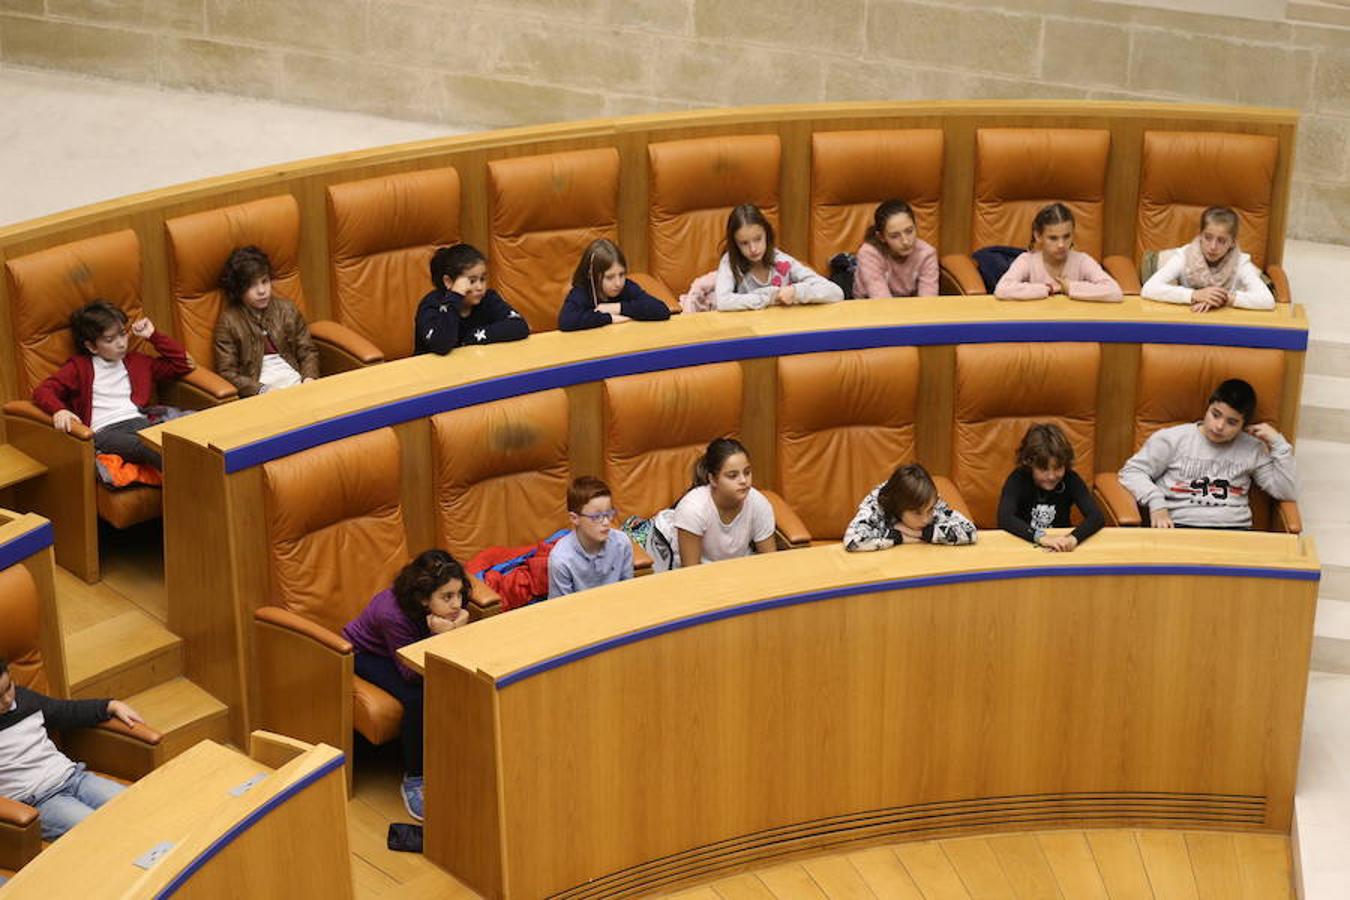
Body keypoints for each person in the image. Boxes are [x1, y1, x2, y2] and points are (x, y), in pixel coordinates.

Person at [342, 550, 471, 821]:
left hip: (408, 647)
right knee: (416, 697)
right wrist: (446, 636)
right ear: (424, 598)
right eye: (447, 597)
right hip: (367, 654)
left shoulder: (446, 608)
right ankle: (414, 777)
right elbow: (411, 672)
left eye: (459, 594)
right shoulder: (393, 615)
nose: (457, 604)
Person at [1118, 378, 1297, 529]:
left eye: (1232, 422)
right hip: (1179, 525)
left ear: (1244, 424)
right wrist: (1155, 501)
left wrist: (1278, 444)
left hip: (1235, 531)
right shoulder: (1172, 438)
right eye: (1215, 414)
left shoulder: (1252, 448)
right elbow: (1131, 472)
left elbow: (1286, 491)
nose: (1219, 426)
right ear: (1208, 407)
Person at [33, 300, 191, 470]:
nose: (121, 343)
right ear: (92, 346)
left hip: (138, 421)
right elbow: (43, 391)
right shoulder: (79, 368)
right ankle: (191, 489)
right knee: (150, 447)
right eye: (110, 340)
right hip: (106, 431)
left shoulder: (138, 362)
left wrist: (153, 336)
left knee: (179, 440)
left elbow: (181, 364)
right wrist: (59, 409)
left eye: (123, 334)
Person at [0, 657, 144, 840]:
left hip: (74, 777)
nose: (7, 700)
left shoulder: (24, 699)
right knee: (103, 833)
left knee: (138, 806)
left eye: (8, 687)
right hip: (39, 801)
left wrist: (109, 705)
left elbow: (65, 711)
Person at [213, 245, 319, 397]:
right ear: (239, 289)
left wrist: (309, 378)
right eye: (252, 285)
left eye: (265, 281)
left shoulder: (287, 310)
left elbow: (308, 351)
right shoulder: (229, 322)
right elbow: (228, 372)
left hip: (297, 383)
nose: (262, 290)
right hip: (261, 392)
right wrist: (261, 390)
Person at [1141, 206, 1274, 312]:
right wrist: (1194, 295)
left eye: (1221, 240)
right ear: (1200, 236)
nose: (1213, 247)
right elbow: (1149, 289)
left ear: (1232, 243)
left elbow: (1267, 300)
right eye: (1208, 237)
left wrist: (1222, 298)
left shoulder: (1240, 262)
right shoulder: (1184, 256)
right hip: (1188, 319)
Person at [714, 205, 843, 310]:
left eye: (758, 239)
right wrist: (770, 297)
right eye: (744, 243)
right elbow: (723, 302)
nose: (753, 249)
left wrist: (796, 292)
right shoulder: (729, 262)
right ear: (735, 244)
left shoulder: (781, 261)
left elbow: (836, 292)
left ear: (767, 234)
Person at [998, 423, 1103, 551]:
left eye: (1058, 468)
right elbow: (1005, 518)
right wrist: (1042, 538)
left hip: (1061, 547)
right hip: (1024, 544)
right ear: (1029, 464)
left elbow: (1096, 516)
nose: (1052, 476)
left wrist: (1073, 538)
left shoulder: (1071, 479)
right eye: (1043, 469)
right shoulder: (1018, 478)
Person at [673, 438, 777, 566]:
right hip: (694, 570)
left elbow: (770, 562)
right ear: (713, 480)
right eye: (732, 475)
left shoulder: (758, 503)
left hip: (736, 570)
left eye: (747, 472)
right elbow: (690, 571)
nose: (744, 480)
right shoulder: (692, 509)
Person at [413, 244, 529, 355]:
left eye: (483, 279)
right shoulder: (431, 305)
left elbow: (519, 326)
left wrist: (472, 338)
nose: (480, 287)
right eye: (472, 281)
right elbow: (441, 345)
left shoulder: (488, 298)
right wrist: (454, 297)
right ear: (448, 282)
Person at [994, 203, 1122, 303]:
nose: (1061, 245)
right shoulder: (1027, 260)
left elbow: (1114, 292)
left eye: (1066, 236)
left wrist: (1070, 288)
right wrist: (1047, 289)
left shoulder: (1082, 260)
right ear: (1038, 236)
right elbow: (1002, 289)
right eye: (1053, 238)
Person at [843, 463, 977, 551]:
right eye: (917, 513)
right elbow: (852, 540)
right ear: (898, 508)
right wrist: (898, 537)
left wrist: (920, 534)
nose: (926, 519)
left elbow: (970, 531)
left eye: (930, 510)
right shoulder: (879, 503)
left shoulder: (930, 500)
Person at [548, 476, 635, 598]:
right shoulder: (561, 560)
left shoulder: (622, 543)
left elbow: (628, 592)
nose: (606, 522)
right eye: (597, 516)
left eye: (609, 514)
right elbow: (561, 611)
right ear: (575, 518)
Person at [558, 239, 671, 331]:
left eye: (621, 274)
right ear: (591, 275)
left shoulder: (626, 287)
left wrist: (617, 308)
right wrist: (610, 318)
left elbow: (661, 310)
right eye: (610, 277)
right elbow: (567, 321)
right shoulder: (582, 291)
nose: (618, 283)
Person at [853, 199, 940, 299]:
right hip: (867, 304)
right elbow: (882, 301)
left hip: (911, 306)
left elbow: (928, 301)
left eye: (909, 231)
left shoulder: (927, 254)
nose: (905, 241)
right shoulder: (869, 253)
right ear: (882, 237)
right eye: (895, 236)